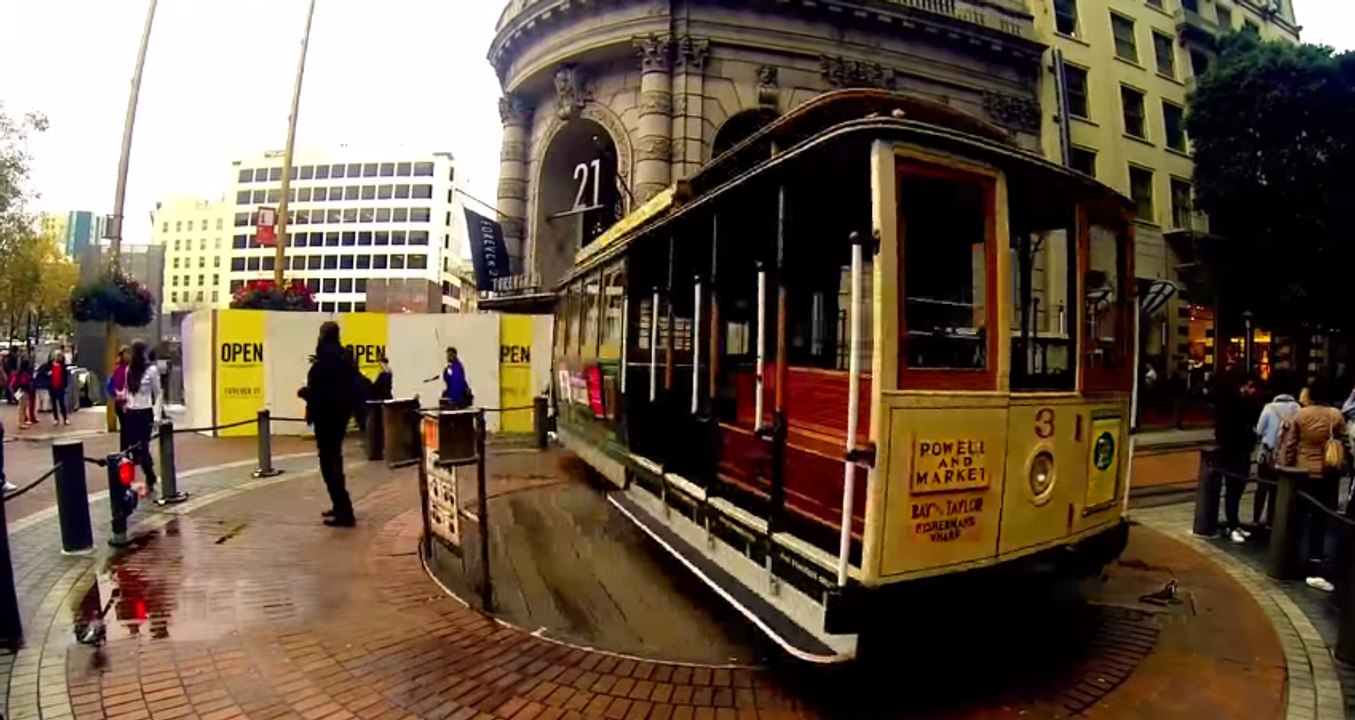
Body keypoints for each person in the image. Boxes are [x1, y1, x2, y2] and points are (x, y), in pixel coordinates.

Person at [1279, 380, 1347, 592]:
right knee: (1321, 518)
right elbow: (1345, 442)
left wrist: (1287, 466)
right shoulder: (1335, 415)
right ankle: (1316, 559)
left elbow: (1290, 444)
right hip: (1327, 472)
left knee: (1300, 516)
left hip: (1303, 471)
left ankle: (1295, 560)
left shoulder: (1301, 415)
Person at [298, 322, 361, 527]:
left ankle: (344, 511)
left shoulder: (327, 361)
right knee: (335, 462)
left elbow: (323, 394)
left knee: (329, 464)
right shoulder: (342, 358)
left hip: (327, 419)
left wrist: (305, 393)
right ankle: (340, 506)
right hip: (339, 418)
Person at [1213, 368, 1262, 543]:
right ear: (1242, 386)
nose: (1253, 390)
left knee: (1238, 488)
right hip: (1233, 451)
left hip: (1240, 450)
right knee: (1233, 488)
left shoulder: (1245, 404)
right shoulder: (1232, 406)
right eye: (1250, 386)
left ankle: (1234, 523)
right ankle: (1232, 525)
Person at [1255, 372, 1301, 530]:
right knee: (1277, 489)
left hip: (1268, 454)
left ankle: (1256, 518)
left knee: (1262, 487)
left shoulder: (1269, 408)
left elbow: (1259, 430)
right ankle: (1272, 520)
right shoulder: (1298, 409)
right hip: (1286, 456)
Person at [120, 341, 161, 491]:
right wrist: (125, 403)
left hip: (145, 412)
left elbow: (158, 393)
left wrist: (157, 415)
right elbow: (127, 390)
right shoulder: (129, 370)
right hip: (131, 412)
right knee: (133, 448)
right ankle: (135, 478)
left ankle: (150, 476)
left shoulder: (151, 370)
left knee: (143, 446)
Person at [11, 352, 36, 429]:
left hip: (22, 389)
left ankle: (22, 421)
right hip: (23, 389)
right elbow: (23, 381)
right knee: (22, 407)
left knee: (23, 406)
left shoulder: (22, 370)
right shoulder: (23, 371)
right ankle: (20, 423)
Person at [46, 351, 70, 426]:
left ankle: (65, 418)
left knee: (61, 403)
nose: (58, 357)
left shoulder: (63, 366)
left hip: (60, 387)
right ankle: (56, 418)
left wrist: (65, 385)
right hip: (52, 387)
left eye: (59, 356)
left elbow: (65, 377)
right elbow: (45, 373)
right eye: (56, 355)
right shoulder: (49, 365)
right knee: (54, 404)